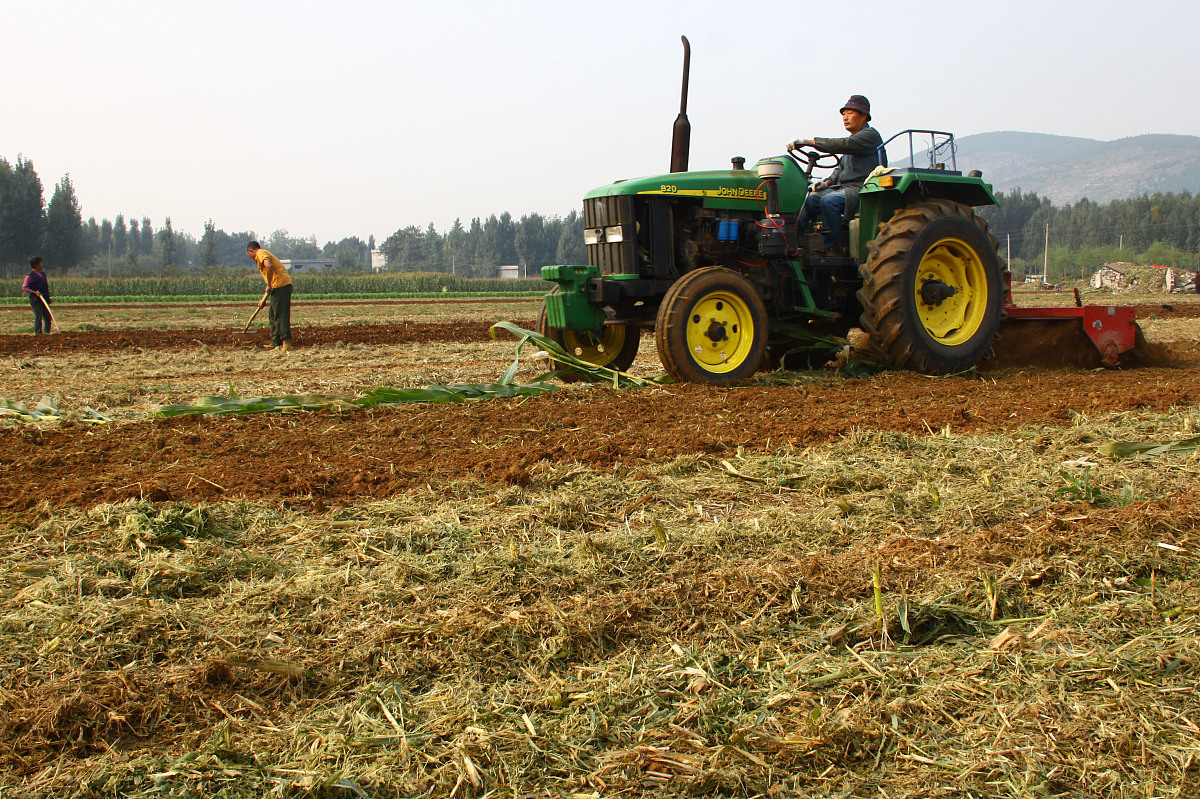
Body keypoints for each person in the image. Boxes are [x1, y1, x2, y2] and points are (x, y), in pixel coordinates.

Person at [787, 94, 884, 254]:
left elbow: (844, 144)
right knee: (811, 199)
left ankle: (833, 248)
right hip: (843, 188)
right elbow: (839, 170)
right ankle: (794, 242)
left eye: (850, 113)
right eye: (843, 114)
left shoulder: (869, 136)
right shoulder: (852, 142)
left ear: (863, 116)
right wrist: (826, 183)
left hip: (862, 188)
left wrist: (809, 142)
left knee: (829, 201)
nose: (845, 117)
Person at [246, 241, 293, 351]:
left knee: (280, 315)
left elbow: (269, 265)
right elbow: (270, 283)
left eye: (249, 254)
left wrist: (269, 285)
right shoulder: (261, 255)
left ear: (251, 251)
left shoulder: (260, 253)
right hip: (277, 287)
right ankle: (276, 342)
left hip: (281, 286)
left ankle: (286, 344)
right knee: (273, 315)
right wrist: (263, 299)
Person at [22, 256, 52, 334]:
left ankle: (47, 333)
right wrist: (34, 292)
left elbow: (45, 286)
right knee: (38, 316)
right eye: (40, 263)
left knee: (48, 317)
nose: (42, 264)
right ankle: (38, 334)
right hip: (36, 299)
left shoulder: (43, 274)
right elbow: (24, 287)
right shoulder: (30, 276)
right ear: (36, 265)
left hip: (45, 298)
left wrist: (48, 297)